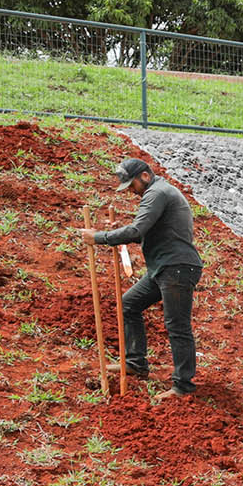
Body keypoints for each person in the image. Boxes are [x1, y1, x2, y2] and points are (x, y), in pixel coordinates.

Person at [80, 158, 204, 395]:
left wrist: (99, 237)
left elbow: (137, 230)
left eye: (132, 186)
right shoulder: (160, 191)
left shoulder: (157, 193)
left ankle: (183, 386)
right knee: (129, 304)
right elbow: (141, 232)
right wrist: (113, 233)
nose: (132, 192)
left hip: (176, 268)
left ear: (145, 176)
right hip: (163, 268)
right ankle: (136, 363)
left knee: (177, 325)